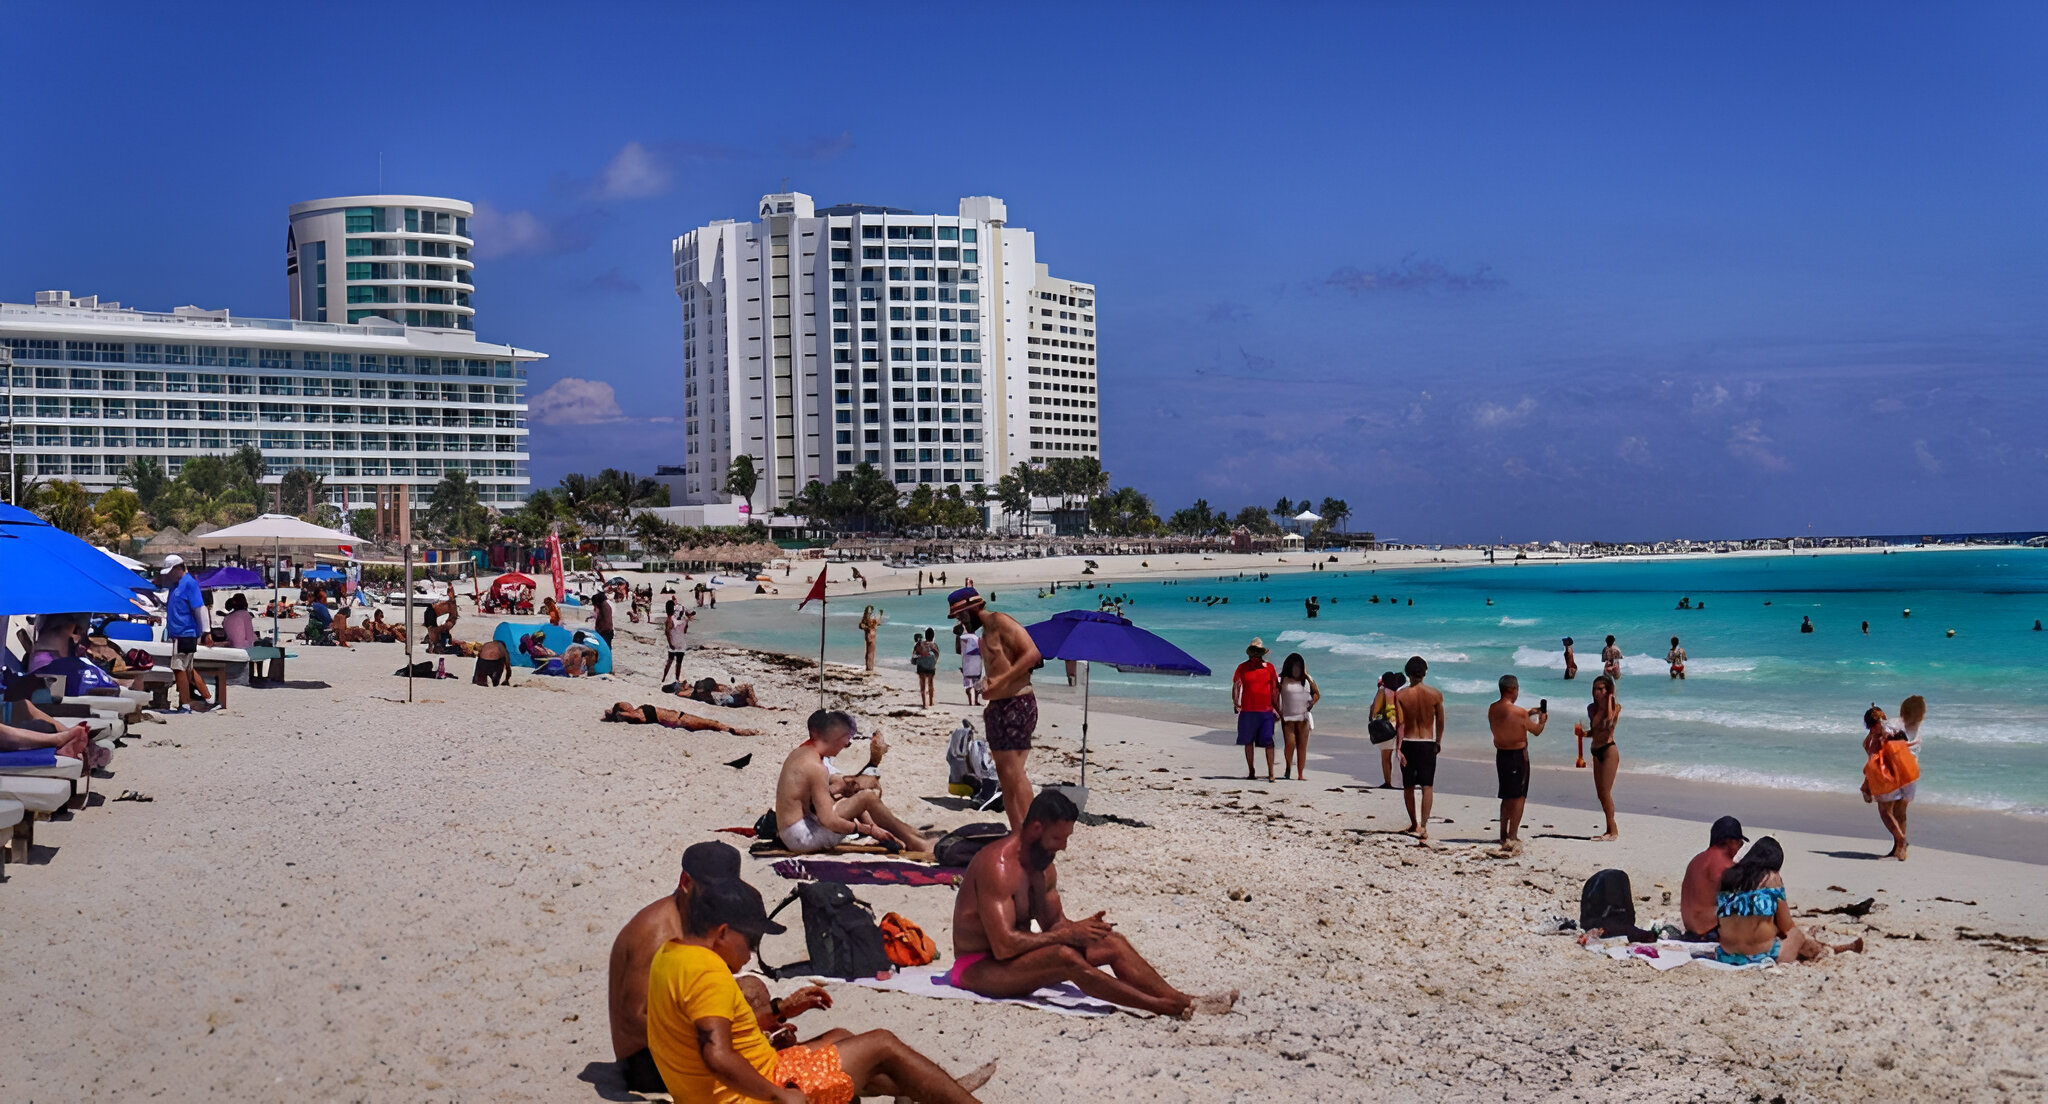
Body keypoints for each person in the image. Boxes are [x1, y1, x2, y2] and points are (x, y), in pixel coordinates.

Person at [648, 877, 994, 1104]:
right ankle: (950, 1096)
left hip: (750, 1077)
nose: (752, 951)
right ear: (722, 932)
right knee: (882, 1043)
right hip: (755, 1093)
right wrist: (777, 1096)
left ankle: (925, 1091)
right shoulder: (707, 972)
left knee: (841, 1036)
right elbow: (717, 1056)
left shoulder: (672, 954)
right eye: (751, 939)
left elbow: (704, 1032)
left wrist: (779, 1010)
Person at [951, 789, 1237, 1019]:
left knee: (1111, 941)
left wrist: (1084, 929)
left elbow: (1055, 925)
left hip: (1016, 959)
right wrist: (1065, 935)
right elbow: (1002, 947)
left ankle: (1181, 998)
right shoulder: (998, 867)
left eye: (1066, 838)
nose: (1063, 847)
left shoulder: (1043, 867)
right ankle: (1158, 1005)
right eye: (1057, 838)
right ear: (1036, 829)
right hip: (978, 966)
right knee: (1064, 957)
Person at [948, 587, 1040, 833]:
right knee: (1003, 775)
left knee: (1014, 772)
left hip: (1017, 703)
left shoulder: (1000, 621)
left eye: (961, 616)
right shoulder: (983, 634)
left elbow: (1032, 654)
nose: (960, 621)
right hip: (998, 706)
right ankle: (1017, 832)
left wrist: (998, 682)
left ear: (972, 609)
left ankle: (1033, 832)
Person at [774, 710, 930, 853]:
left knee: (855, 797)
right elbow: (828, 820)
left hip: (789, 831)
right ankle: (914, 842)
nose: (845, 747)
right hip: (802, 838)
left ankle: (907, 835)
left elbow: (818, 796)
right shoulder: (816, 767)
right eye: (845, 743)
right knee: (866, 797)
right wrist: (865, 830)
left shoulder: (800, 754)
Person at [1713, 836, 1864, 966]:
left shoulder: (1729, 876)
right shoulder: (1771, 878)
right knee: (1796, 935)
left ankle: (1829, 947)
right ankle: (1828, 949)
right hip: (1757, 958)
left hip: (1725, 955)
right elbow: (1787, 926)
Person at [1487, 674, 1548, 852]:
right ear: (1512, 690)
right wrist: (1542, 721)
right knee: (1519, 795)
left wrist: (1529, 712)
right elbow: (1535, 730)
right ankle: (1512, 835)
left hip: (1501, 754)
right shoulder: (1519, 712)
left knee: (1506, 794)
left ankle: (1503, 833)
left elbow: (1509, 718)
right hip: (1517, 755)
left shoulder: (1492, 708)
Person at [1394, 655, 1445, 845]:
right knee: (1427, 786)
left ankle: (1414, 823)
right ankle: (1424, 825)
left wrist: (1398, 748)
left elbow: (1400, 723)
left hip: (1408, 741)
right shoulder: (1435, 694)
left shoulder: (1401, 695)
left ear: (1407, 673)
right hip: (1427, 742)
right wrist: (1438, 741)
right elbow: (1440, 720)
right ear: (1425, 672)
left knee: (1408, 787)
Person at [1866, 699, 1924, 860]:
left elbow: (1874, 758)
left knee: (1885, 811)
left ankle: (1901, 841)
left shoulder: (1883, 729)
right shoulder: (1906, 726)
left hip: (1893, 774)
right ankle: (1899, 848)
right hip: (1911, 772)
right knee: (1900, 811)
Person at [1679, 816, 1747, 942]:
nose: (1739, 847)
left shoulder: (1697, 859)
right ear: (1730, 841)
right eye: (1739, 843)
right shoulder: (1725, 865)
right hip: (1708, 931)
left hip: (1690, 927)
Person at [1573, 674, 1622, 840]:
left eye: (1601, 689)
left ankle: (1613, 829)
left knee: (1606, 792)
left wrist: (1609, 699)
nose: (1597, 692)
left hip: (1608, 750)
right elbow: (1594, 732)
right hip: (1595, 749)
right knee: (1600, 794)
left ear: (1608, 691)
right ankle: (1608, 828)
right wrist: (1582, 734)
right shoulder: (1591, 709)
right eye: (1595, 689)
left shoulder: (1615, 707)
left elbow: (1608, 722)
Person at [161, 555, 212, 712]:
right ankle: (208, 698)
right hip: (179, 633)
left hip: (185, 632)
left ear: (178, 569)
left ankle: (185, 703)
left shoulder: (189, 584)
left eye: (171, 571)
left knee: (178, 668)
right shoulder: (175, 586)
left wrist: (206, 632)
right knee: (188, 668)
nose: (168, 575)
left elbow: (199, 608)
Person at [1230, 638, 1280, 782]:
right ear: (1250, 654)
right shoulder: (1242, 667)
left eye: (1258, 653)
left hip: (1266, 711)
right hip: (1247, 711)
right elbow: (1236, 685)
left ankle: (1271, 772)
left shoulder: (1269, 668)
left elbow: (1274, 690)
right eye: (1253, 653)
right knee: (1248, 741)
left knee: (1269, 741)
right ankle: (1251, 770)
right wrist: (1235, 702)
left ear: (1262, 654)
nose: (1255, 657)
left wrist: (1277, 709)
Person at [1275, 652, 1319, 781]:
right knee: (1290, 744)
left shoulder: (1307, 679)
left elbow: (1316, 694)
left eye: (1299, 666)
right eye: (1294, 666)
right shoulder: (1281, 679)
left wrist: (1310, 705)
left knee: (1302, 746)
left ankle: (1300, 773)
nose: (1296, 669)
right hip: (1287, 718)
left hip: (1303, 718)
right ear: (1288, 666)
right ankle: (1288, 768)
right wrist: (1277, 711)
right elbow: (1274, 694)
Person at [602, 703, 763, 735]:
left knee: (713, 724)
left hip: (681, 716)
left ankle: (739, 730)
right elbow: (628, 717)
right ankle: (742, 732)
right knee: (714, 725)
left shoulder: (638, 711)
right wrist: (615, 714)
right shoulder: (637, 715)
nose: (628, 703)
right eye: (624, 704)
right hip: (680, 721)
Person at [1367, 670, 1404, 788]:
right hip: (1398, 725)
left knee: (1385, 756)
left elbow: (1376, 711)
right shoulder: (1400, 692)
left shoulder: (1382, 691)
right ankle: (1399, 781)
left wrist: (1372, 713)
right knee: (1398, 755)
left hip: (1386, 726)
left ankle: (1388, 782)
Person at [662, 607, 694, 683]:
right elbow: (684, 631)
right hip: (680, 644)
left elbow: (667, 632)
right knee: (677, 663)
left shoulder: (672, 620)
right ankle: (674, 678)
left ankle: (665, 678)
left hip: (675, 643)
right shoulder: (682, 621)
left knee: (670, 662)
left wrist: (670, 643)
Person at [912, 629, 939, 708]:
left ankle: (924, 704)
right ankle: (931, 701)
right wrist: (934, 664)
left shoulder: (919, 644)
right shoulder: (934, 645)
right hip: (931, 667)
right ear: (933, 636)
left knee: (923, 684)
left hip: (921, 667)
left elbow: (914, 655)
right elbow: (937, 655)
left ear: (925, 635)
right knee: (931, 683)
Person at [960, 626, 984, 706]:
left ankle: (970, 701)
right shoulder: (977, 638)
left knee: (967, 683)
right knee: (976, 682)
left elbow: (958, 649)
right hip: (977, 661)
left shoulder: (962, 638)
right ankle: (976, 701)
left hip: (966, 662)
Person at [858, 606, 880, 673]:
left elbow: (861, 626)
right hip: (871, 635)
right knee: (871, 652)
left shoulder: (866, 619)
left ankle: (869, 666)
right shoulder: (869, 619)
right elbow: (862, 626)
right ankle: (870, 667)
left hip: (870, 635)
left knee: (869, 652)